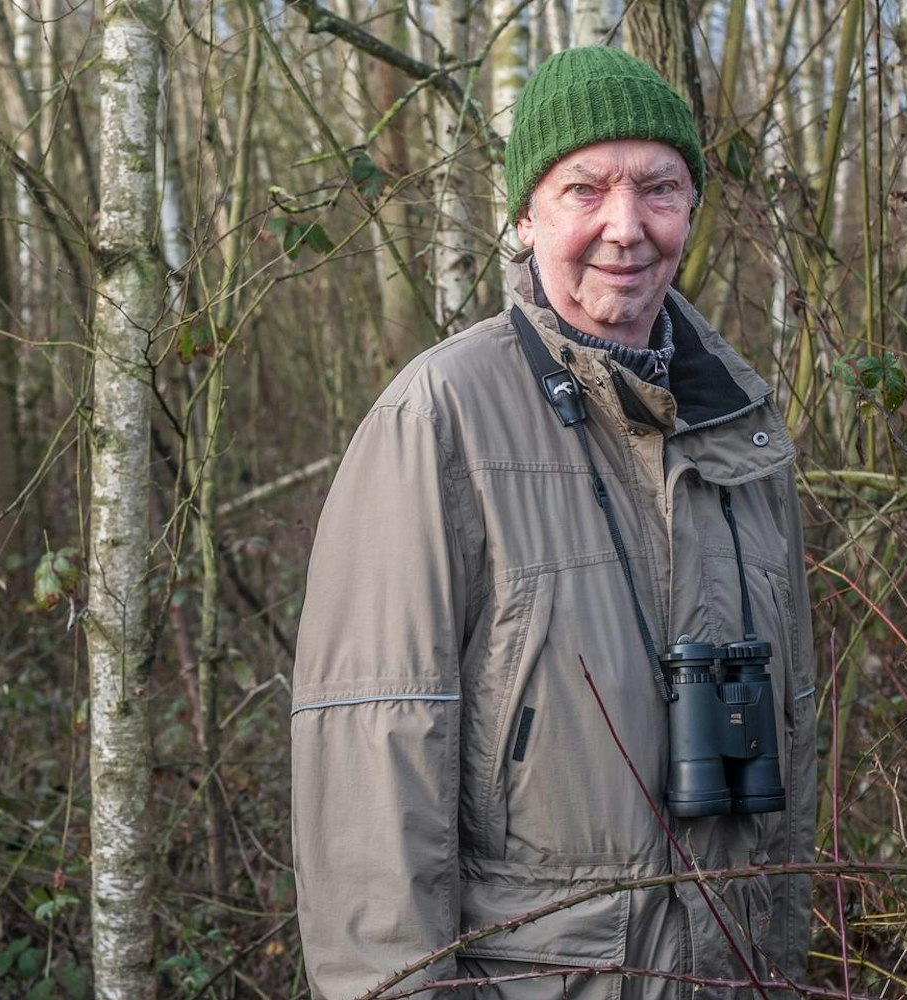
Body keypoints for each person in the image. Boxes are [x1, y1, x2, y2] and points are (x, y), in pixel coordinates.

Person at [290, 47, 817, 999]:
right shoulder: (439, 419)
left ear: (691, 209)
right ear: (526, 218)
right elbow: (373, 755)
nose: (627, 226)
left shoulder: (743, 426)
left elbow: (795, 732)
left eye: (659, 188)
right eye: (585, 189)